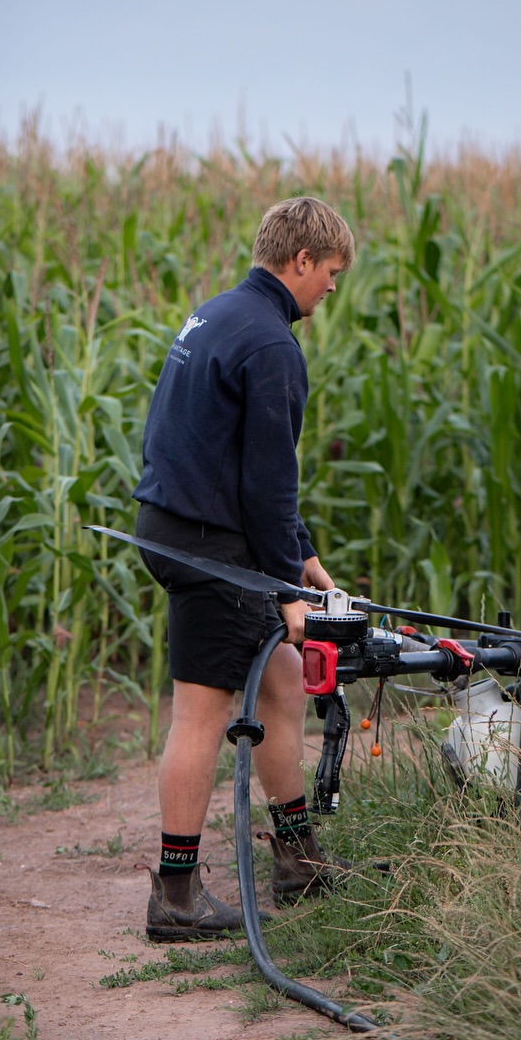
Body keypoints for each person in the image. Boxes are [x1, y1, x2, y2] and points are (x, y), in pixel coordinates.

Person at [132, 195, 354, 940]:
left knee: (284, 680)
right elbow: (265, 483)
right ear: (300, 261)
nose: (331, 287)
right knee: (201, 711)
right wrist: (288, 589)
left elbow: (236, 460)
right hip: (209, 547)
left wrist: (304, 557)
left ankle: (298, 862)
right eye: (329, 271)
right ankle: (178, 897)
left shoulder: (217, 314)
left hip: (176, 527)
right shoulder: (271, 346)